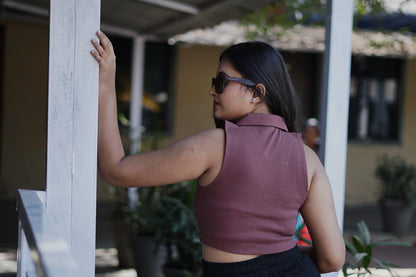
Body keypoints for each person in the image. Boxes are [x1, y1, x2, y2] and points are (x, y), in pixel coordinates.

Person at [91, 31, 345, 276]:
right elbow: (332, 258)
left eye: (221, 82)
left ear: (256, 93)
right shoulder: (308, 159)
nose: (213, 91)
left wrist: (105, 82)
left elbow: (116, 170)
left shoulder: (216, 146)